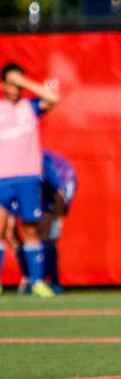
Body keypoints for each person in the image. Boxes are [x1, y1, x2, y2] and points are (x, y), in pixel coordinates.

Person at [0, 63, 59, 298]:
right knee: (1, 229)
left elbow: (53, 97)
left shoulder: (30, 107)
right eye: (11, 83)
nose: (15, 88)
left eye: (18, 83)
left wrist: (23, 82)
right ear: (3, 85)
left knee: (30, 229)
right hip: (2, 178)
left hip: (28, 177)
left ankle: (36, 282)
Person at [11, 150, 77, 294]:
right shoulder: (10, 166)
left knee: (47, 238)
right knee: (10, 234)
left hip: (49, 200)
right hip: (24, 196)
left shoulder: (42, 164)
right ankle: (29, 278)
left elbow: (58, 193)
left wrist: (58, 220)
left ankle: (50, 281)